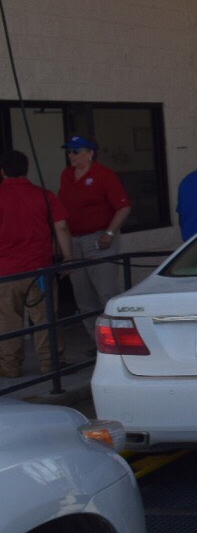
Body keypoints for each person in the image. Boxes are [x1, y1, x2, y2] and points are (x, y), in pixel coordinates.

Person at [0, 151, 72, 378]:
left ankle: (10, 366)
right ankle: (52, 364)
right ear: (26, 169)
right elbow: (61, 227)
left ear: (2, 172)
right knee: (45, 318)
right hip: (40, 269)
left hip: (5, 271)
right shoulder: (44, 195)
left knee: (8, 321)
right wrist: (68, 258)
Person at [57, 135, 131, 332]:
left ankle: (118, 337)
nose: (71, 155)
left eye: (76, 151)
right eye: (69, 151)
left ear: (90, 153)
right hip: (74, 240)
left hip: (99, 239)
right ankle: (96, 340)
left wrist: (109, 233)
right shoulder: (66, 175)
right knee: (83, 295)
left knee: (106, 291)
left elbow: (123, 208)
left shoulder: (105, 175)